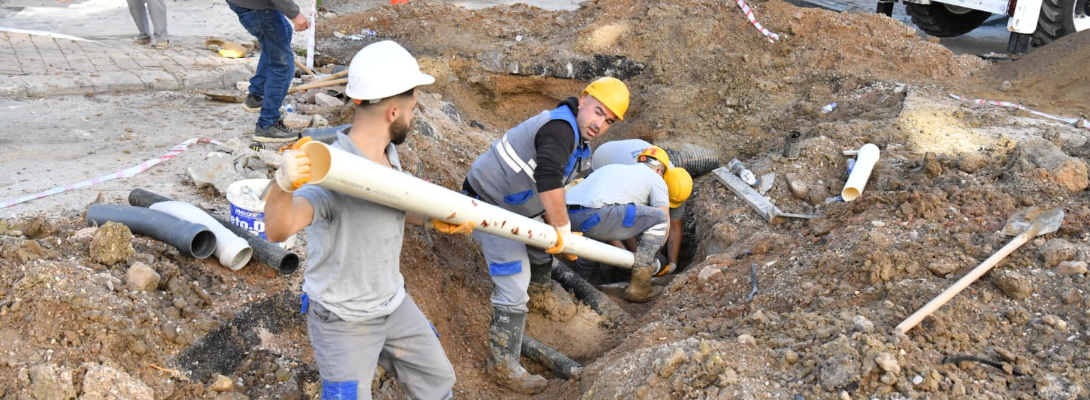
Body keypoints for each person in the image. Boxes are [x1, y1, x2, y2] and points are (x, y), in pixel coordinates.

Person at [264, 41, 458, 400]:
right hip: (344, 319)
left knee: (438, 382)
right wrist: (282, 186)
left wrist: (431, 220)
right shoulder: (334, 172)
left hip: (392, 302)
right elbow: (278, 229)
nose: (413, 118)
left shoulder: (387, 155)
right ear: (392, 112)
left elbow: (389, 203)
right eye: (413, 109)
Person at [460, 76, 629, 394]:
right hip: (488, 203)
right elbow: (549, 178)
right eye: (597, 112)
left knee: (541, 249)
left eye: (607, 121)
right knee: (513, 279)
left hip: (519, 207)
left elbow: (561, 186)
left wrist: (562, 229)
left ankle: (539, 297)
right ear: (583, 100)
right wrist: (562, 228)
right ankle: (504, 368)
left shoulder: (579, 142)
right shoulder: (559, 128)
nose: (599, 124)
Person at [566, 146, 677, 302]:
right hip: (595, 214)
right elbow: (664, 219)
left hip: (565, 214)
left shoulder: (615, 169)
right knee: (659, 219)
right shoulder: (656, 179)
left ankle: (579, 282)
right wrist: (650, 260)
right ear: (660, 171)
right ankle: (640, 287)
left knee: (595, 233)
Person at [590, 139, 693, 274]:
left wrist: (673, 264)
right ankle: (593, 271)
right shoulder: (635, 185)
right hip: (605, 157)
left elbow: (674, 228)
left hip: (639, 150)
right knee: (595, 220)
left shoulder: (678, 185)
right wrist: (632, 260)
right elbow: (616, 223)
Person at [227, 0, 310, 143]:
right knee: (283, 65)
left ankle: (257, 96)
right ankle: (267, 125)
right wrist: (294, 13)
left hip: (247, 4)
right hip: (258, 8)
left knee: (280, 36)